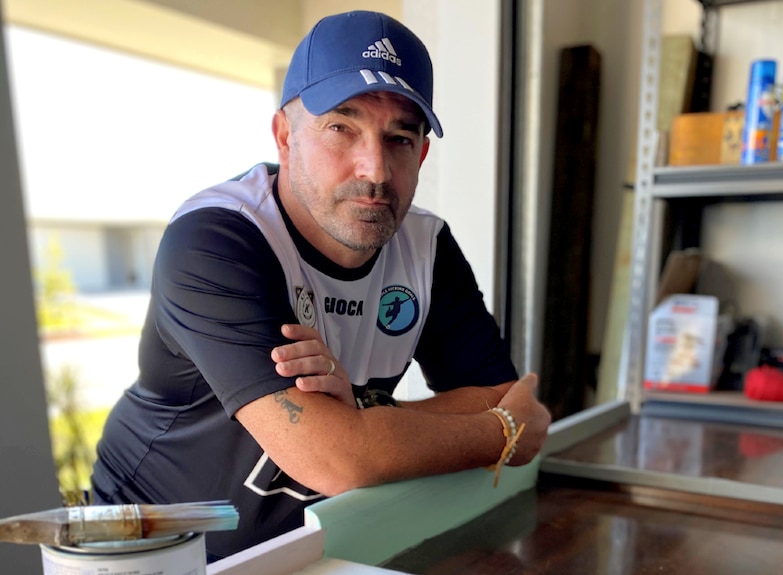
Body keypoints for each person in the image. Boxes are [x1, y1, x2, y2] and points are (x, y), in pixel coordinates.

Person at [91, 10, 551, 561]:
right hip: (149, 548)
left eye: (400, 138)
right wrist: (503, 434)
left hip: (303, 548)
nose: (375, 169)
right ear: (285, 137)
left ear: (422, 154)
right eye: (341, 128)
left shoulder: (425, 247)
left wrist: (361, 420)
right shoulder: (216, 239)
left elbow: (494, 394)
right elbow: (334, 460)